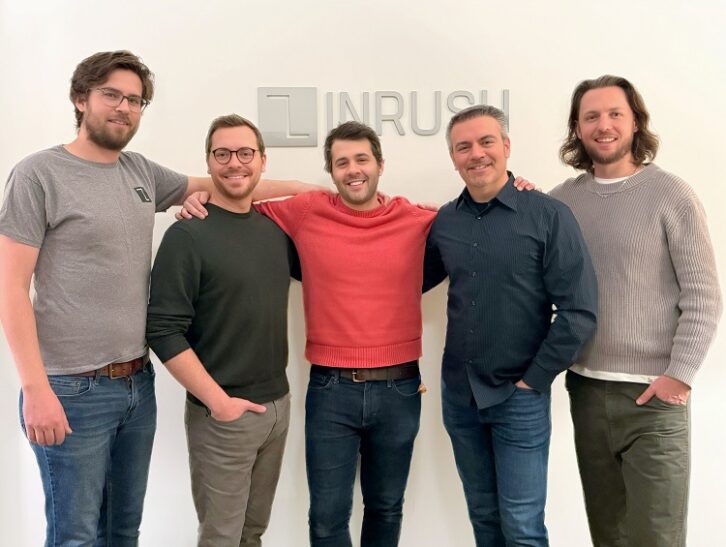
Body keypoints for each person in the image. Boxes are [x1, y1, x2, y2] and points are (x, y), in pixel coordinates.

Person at [0, 51, 305, 547]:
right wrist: (34, 389)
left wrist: (324, 196)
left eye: (135, 100)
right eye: (111, 95)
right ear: (81, 100)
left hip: (134, 386)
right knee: (75, 536)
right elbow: (9, 287)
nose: (124, 107)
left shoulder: (139, 172)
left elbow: (229, 184)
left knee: (123, 531)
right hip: (69, 389)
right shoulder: (39, 175)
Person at [551, 75, 722, 547]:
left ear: (635, 122)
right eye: (591, 116)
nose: (603, 125)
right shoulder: (562, 202)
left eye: (614, 114)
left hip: (653, 398)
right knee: (608, 535)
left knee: (657, 538)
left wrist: (679, 376)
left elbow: (704, 297)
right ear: (577, 128)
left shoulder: (671, 194)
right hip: (586, 390)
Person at [424, 105, 598, 547]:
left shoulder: (547, 214)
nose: (476, 154)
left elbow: (578, 311)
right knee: (484, 519)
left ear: (506, 146)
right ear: (453, 157)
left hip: (518, 399)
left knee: (521, 527)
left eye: (486, 142)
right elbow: (405, 283)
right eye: (463, 146)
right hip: (460, 397)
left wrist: (533, 381)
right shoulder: (445, 221)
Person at [146, 114, 298, 547]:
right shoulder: (187, 235)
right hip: (223, 415)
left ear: (262, 161)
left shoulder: (275, 230)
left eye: (245, 153)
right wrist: (219, 404)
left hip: (278, 407)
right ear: (208, 163)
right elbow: (162, 329)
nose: (235, 163)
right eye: (223, 154)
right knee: (221, 538)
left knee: (252, 534)